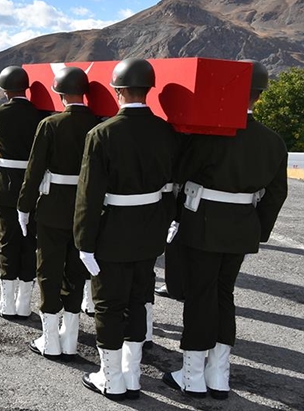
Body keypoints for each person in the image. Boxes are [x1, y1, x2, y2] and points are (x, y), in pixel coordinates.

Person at [162, 60, 288, 400]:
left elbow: (179, 174)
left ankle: (192, 376)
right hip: (242, 228)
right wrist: (257, 230)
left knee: (199, 296)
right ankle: (218, 375)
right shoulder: (274, 141)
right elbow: (277, 193)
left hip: (202, 225)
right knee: (223, 295)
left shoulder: (210, 135)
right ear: (259, 96)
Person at [75, 58, 181, 401]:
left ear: (117, 90)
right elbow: (171, 185)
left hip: (113, 232)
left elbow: (89, 195)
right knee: (138, 301)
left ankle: (111, 378)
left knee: (108, 304)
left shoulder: (102, 133)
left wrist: (84, 241)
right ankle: (132, 376)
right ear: (148, 89)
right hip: (150, 231)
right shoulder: (166, 131)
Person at [17, 67, 99, 359]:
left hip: (52, 208)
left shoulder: (50, 124)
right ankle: (70, 338)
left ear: (61, 94)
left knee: (49, 271)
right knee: (75, 272)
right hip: (85, 209)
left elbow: (34, 170)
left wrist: (24, 206)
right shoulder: (99, 124)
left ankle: (50, 340)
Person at [0, 66, 45, 320]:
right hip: (35, 186)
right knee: (30, 243)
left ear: (4, 89)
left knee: (8, 243)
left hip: (8, 185)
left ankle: (7, 303)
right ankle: (24, 304)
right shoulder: (40, 114)